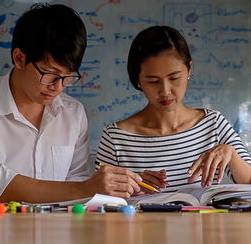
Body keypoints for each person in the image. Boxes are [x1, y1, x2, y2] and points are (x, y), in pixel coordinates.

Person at [0, 3, 143, 204]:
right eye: (51, 74)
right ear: (19, 58)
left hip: (55, 232)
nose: (58, 87)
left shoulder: (73, 113)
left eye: (68, 77)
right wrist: (84, 188)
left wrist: (107, 188)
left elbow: (78, 182)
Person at [95, 25, 251, 193]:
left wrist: (232, 154)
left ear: (189, 69)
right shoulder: (115, 137)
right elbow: (97, 201)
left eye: (174, 78)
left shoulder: (213, 124)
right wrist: (128, 187)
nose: (165, 91)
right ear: (138, 79)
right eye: (153, 81)